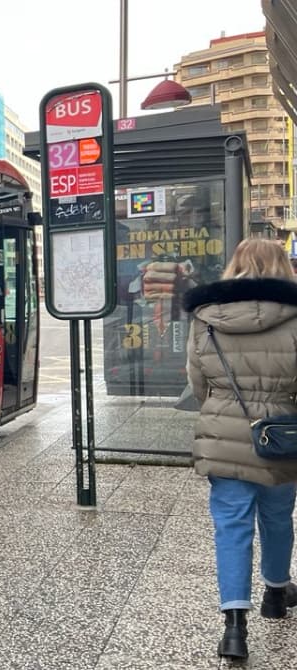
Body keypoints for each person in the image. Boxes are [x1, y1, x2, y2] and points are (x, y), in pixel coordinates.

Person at [184, 238, 297, 660]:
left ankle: (234, 627)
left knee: (231, 526)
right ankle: (275, 592)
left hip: (224, 433)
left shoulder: (206, 316)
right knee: (277, 515)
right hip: (282, 436)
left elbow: (198, 383)